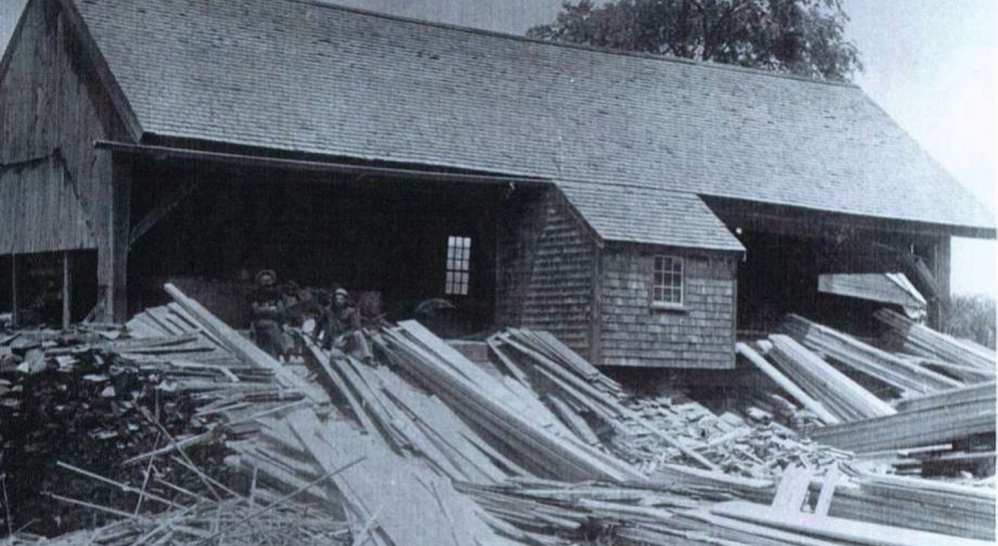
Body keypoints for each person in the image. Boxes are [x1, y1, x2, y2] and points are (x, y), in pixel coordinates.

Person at [248, 269, 289, 359]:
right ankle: (281, 350)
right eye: (264, 282)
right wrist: (271, 310)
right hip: (260, 322)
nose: (267, 285)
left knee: (284, 332)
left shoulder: (277, 294)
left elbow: (280, 311)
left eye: (269, 282)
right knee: (271, 326)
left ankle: (280, 353)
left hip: (275, 322)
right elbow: (256, 311)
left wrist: (284, 323)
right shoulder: (255, 295)